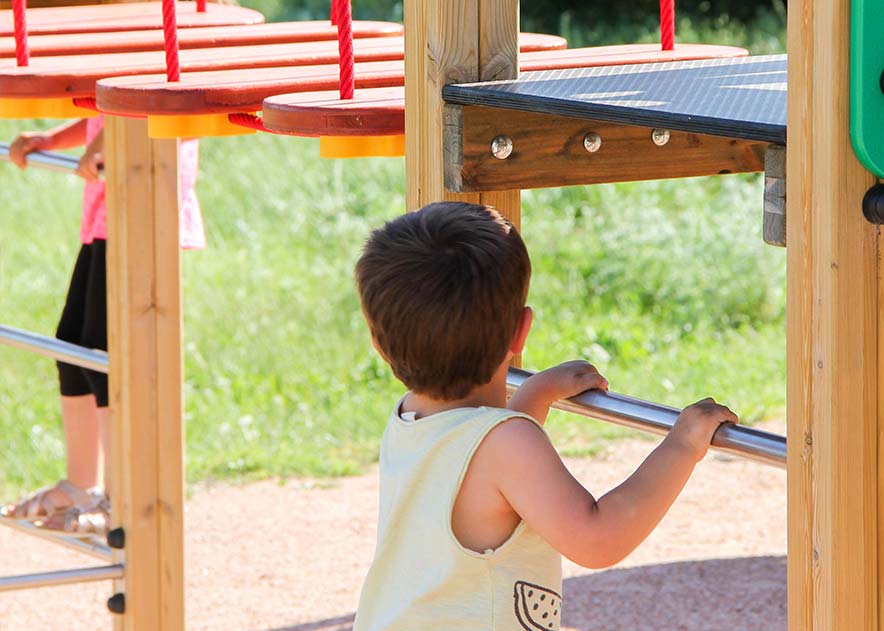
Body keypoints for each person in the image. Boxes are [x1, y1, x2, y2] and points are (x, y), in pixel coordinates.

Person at [352, 201, 738, 630]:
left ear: (378, 344)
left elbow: (484, 473)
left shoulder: (410, 419)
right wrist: (682, 444)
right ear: (522, 330)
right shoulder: (505, 442)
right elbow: (598, 539)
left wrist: (535, 394)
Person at [1, 115, 204, 536]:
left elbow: (147, 98)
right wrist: (55, 138)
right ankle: (80, 484)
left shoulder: (158, 51)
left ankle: (119, 496)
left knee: (103, 357)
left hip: (142, 204)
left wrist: (105, 141)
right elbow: (106, 106)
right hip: (107, 208)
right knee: (71, 348)